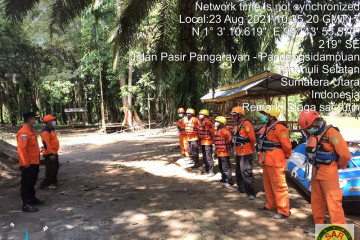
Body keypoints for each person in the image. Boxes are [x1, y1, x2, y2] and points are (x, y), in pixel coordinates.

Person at [298, 110, 351, 233]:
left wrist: (337, 166)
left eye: (309, 127)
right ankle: (319, 227)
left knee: (334, 203)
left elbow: (345, 155)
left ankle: (340, 232)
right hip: (316, 171)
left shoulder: (332, 133)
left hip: (329, 172)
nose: (308, 130)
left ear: (316, 122)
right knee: (316, 201)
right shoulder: (314, 133)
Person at [257, 106, 292, 219]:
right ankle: (271, 204)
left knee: (279, 186)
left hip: (276, 161)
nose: (264, 116)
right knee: (268, 185)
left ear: (272, 116)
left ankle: (283, 210)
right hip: (266, 160)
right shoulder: (267, 127)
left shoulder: (280, 128)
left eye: (266, 115)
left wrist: (286, 156)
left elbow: (287, 145)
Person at [16, 112, 44, 212]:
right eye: (34, 119)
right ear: (29, 120)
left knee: (32, 182)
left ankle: (32, 199)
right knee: (26, 184)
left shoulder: (31, 131)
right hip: (28, 164)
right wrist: (25, 162)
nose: (36, 121)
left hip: (34, 162)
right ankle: (26, 204)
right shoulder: (23, 132)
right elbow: (21, 149)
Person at [230, 106, 256, 200]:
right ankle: (241, 188)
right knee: (238, 171)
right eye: (232, 116)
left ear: (240, 115)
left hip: (246, 151)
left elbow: (252, 139)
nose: (233, 118)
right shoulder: (237, 126)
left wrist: (251, 149)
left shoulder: (247, 124)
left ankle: (251, 192)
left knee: (246, 172)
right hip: (239, 152)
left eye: (234, 116)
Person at [40, 115, 60, 189]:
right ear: (48, 122)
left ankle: (54, 181)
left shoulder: (51, 129)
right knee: (50, 169)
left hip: (54, 152)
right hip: (49, 153)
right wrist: (51, 154)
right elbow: (46, 143)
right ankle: (47, 184)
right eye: (52, 120)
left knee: (55, 167)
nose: (54, 121)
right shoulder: (45, 131)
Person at [214, 116, 233, 188]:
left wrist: (229, 148)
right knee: (221, 166)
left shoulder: (224, 130)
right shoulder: (218, 130)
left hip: (224, 152)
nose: (216, 123)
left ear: (222, 123)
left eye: (217, 122)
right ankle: (224, 178)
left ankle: (229, 181)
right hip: (219, 152)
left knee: (226, 167)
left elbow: (230, 140)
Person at [198, 109, 215, 177]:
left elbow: (212, 131)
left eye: (201, 114)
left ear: (205, 115)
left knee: (208, 157)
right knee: (204, 156)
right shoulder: (200, 122)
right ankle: (206, 168)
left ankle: (211, 171)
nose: (200, 115)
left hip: (208, 141)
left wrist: (213, 139)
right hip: (202, 141)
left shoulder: (208, 122)